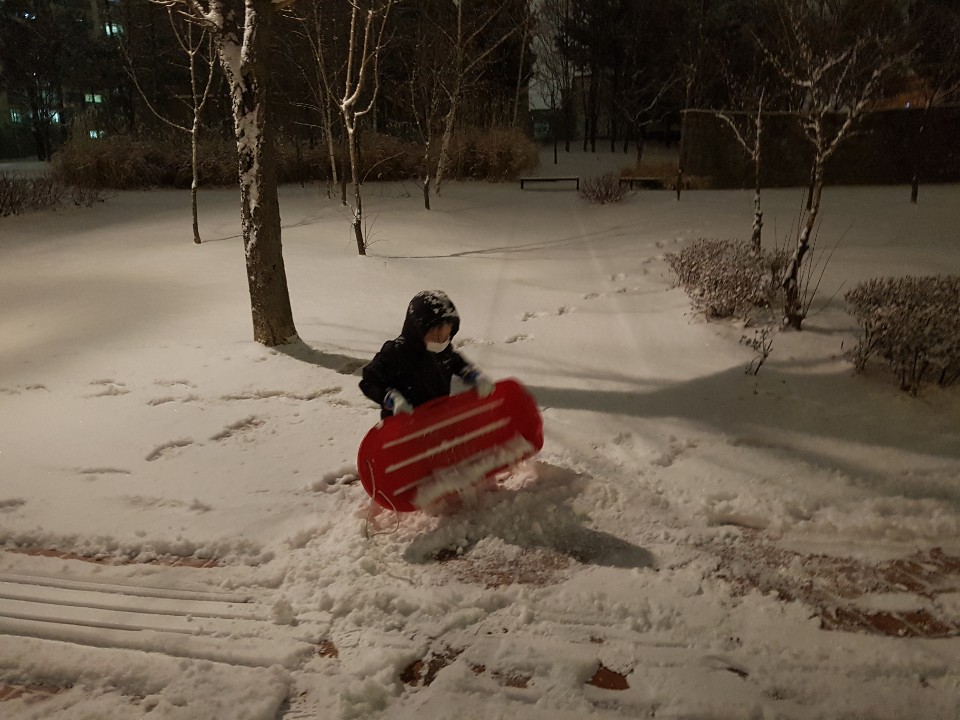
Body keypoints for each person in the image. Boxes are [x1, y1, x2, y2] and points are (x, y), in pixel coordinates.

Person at [360, 290, 494, 418]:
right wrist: (390, 398)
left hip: (436, 417)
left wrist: (473, 375)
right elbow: (369, 381)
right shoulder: (395, 353)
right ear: (417, 330)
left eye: (446, 337)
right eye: (436, 336)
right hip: (402, 423)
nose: (441, 342)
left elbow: (456, 362)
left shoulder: (443, 351)